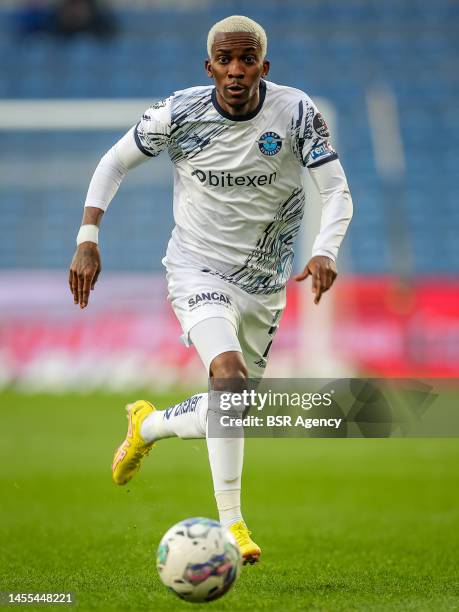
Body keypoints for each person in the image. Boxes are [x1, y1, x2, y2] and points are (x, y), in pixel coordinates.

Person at [68, 15, 353, 565]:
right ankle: (234, 526)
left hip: (265, 283)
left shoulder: (295, 114)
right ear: (210, 67)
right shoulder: (181, 112)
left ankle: (146, 424)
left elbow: (337, 191)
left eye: (247, 60)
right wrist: (87, 237)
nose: (236, 70)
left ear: (263, 67)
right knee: (228, 375)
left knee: (233, 406)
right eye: (226, 60)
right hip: (196, 269)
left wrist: (324, 250)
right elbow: (113, 162)